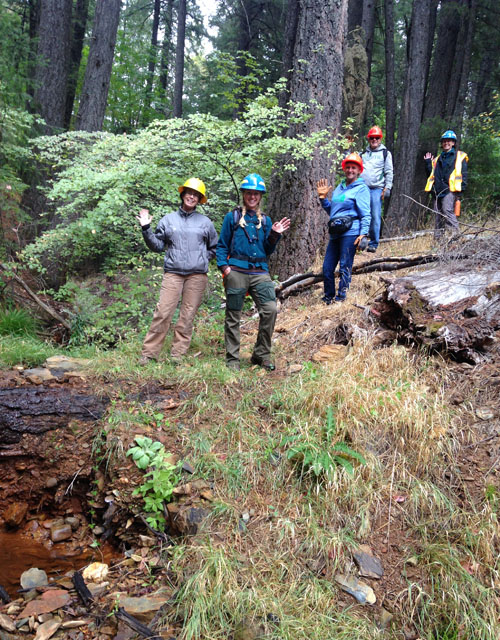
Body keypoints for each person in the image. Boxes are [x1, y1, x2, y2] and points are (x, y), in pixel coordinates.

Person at [136, 178, 218, 364]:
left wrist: (203, 258)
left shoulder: (205, 222)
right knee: (163, 312)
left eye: (196, 194)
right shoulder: (168, 220)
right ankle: (149, 354)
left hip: (197, 275)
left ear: (200, 199)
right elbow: (157, 246)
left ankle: (177, 355)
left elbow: (215, 247)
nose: (192, 196)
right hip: (173, 273)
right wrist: (146, 229)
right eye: (189, 193)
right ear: (183, 194)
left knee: (187, 315)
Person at [216, 173, 290, 371]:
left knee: (270, 310)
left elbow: (267, 250)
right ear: (244, 194)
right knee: (233, 315)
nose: (252, 197)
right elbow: (221, 246)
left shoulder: (265, 221)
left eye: (256, 194)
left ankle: (261, 355)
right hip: (236, 271)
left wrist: (274, 234)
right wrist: (225, 268)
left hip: (260, 272)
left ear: (260, 197)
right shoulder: (232, 217)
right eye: (249, 193)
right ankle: (232, 359)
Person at [317, 153, 371, 304]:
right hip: (335, 233)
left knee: (345, 266)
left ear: (359, 170)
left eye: (354, 167)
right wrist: (323, 199)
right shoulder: (339, 188)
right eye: (348, 167)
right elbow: (333, 212)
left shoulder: (362, 189)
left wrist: (363, 234)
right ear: (344, 168)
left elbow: (366, 214)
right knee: (327, 267)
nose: (350, 170)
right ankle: (328, 297)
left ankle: (341, 298)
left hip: (351, 232)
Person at [424, 130, 468, 237]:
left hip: (450, 190)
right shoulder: (437, 159)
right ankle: (438, 242)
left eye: (449, 141)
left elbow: (464, 174)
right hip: (437, 191)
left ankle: (456, 236)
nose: (446, 143)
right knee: (438, 216)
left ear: (453, 143)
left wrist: (461, 190)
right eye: (444, 141)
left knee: (447, 211)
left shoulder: (459, 156)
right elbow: (432, 175)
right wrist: (427, 163)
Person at [360, 126, 393, 253]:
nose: (374, 140)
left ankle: (373, 243)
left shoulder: (385, 153)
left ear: (380, 139)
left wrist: (387, 187)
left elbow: (389, 171)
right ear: (369, 139)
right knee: (362, 214)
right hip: (362, 188)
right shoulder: (363, 154)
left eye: (377, 138)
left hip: (376, 189)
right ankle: (361, 239)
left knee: (374, 215)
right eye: (372, 138)